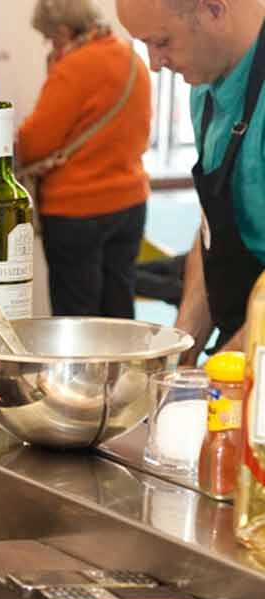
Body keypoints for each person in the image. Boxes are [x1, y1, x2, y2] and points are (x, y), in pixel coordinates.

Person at [117, 0, 265, 360]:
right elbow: (213, 228)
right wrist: (181, 351)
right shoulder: (205, 91)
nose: (153, 64)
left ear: (214, 9)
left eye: (162, 42)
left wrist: (218, 373)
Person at [18, 0, 153, 320]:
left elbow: (34, 143)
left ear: (63, 31)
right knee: (119, 308)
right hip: (130, 202)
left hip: (76, 209)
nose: (50, 45)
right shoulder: (132, 60)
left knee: (76, 317)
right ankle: (124, 371)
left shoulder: (73, 68)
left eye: (50, 37)